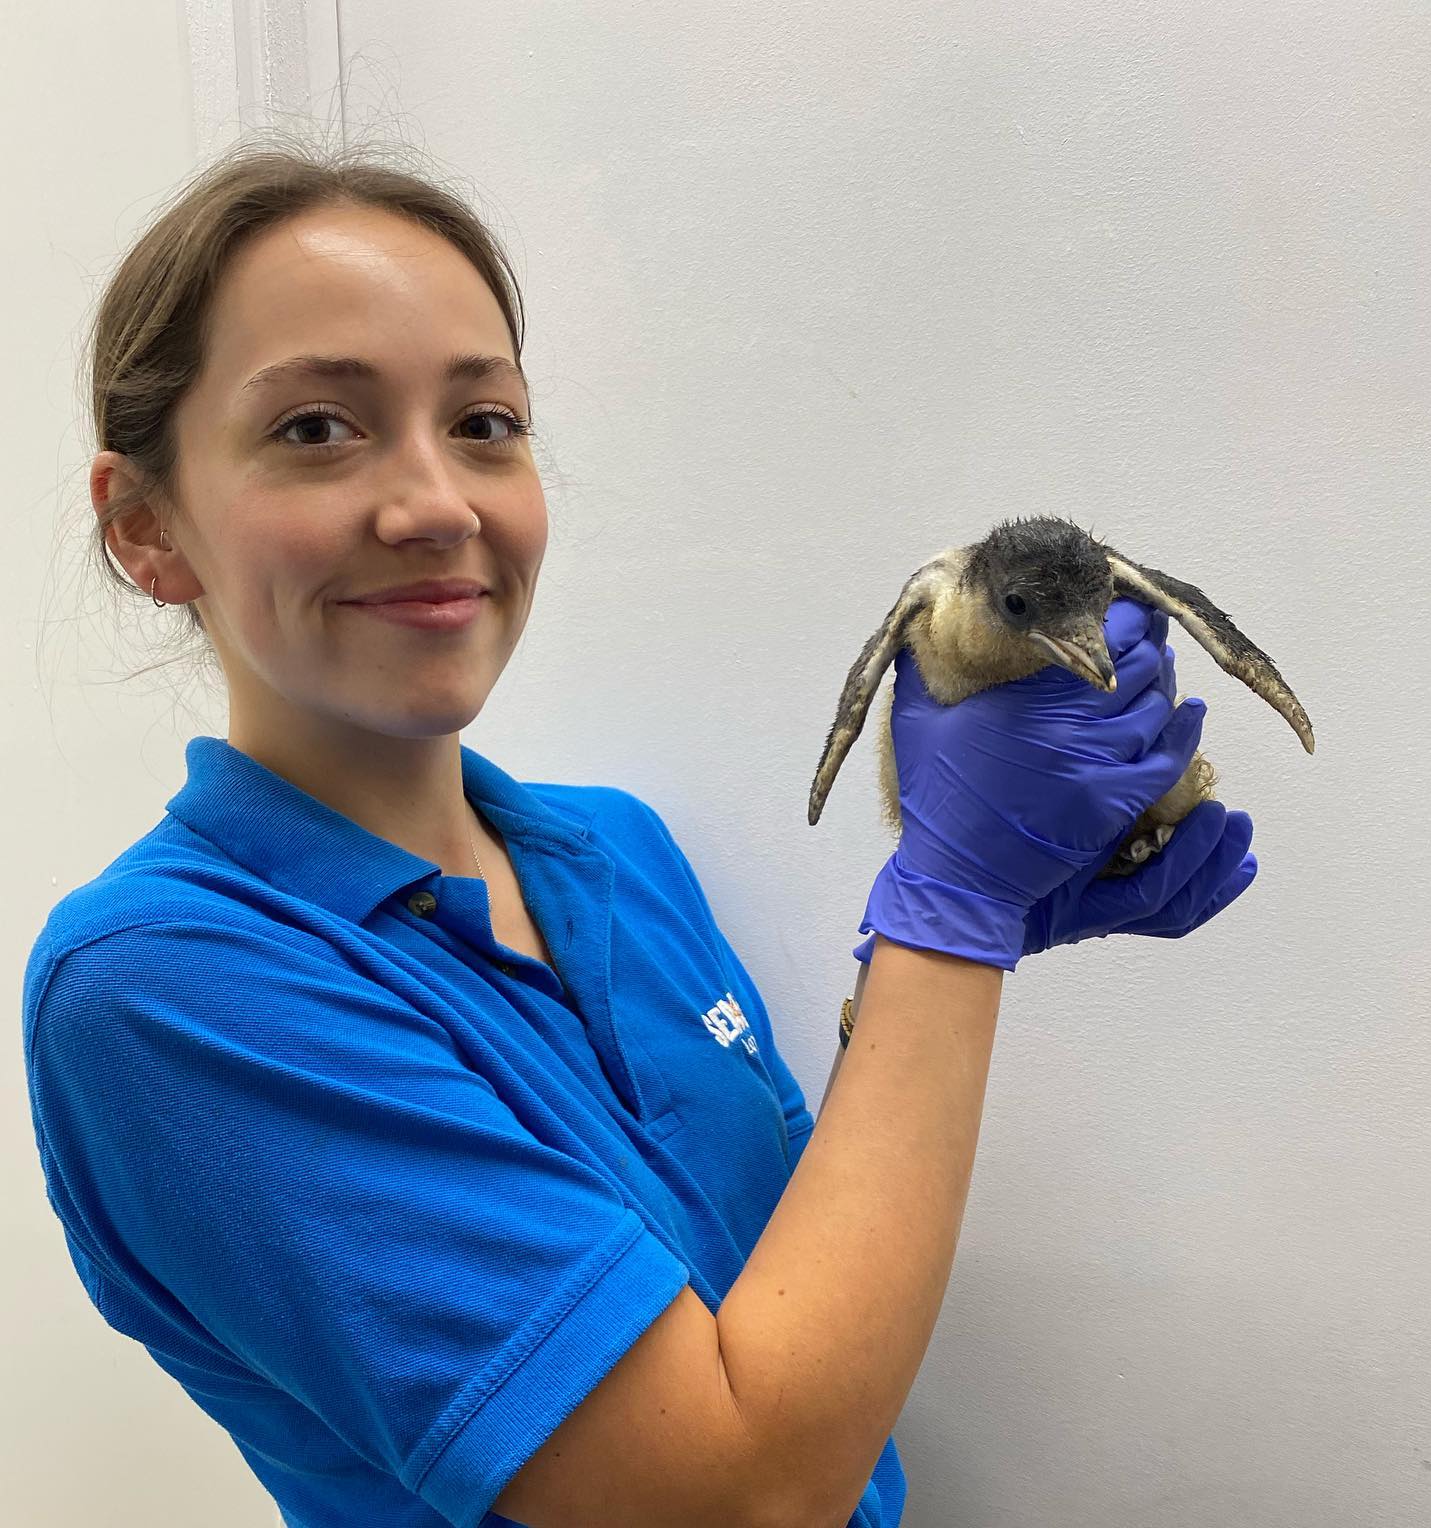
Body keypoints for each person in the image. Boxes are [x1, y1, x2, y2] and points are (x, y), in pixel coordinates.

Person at [21, 137, 1256, 1528]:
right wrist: (948, 915)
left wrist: (976, 921)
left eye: (484, 423)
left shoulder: (619, 855)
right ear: (146, 530)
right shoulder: (162, 987)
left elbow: (801, 1296)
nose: (437, 504)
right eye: (317, 428)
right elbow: (738, 1497)